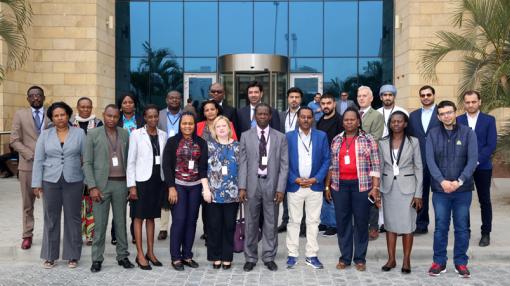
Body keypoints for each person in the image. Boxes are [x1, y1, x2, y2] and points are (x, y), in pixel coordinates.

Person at [426, 100, 477, 278]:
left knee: (462, 227)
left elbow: (472, 161)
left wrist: (459, 181)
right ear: (438, 117)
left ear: (456, 112)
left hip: (462, 190)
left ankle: (461, 262)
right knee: (440, 227)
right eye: (443, 113)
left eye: (449, 112)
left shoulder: (468, 133)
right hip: (441, 191)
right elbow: (430, 161)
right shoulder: (432, 134)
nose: (447, 116)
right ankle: (439, 262)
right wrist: (442, 181)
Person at [325, 107, 381, 272]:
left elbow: (375, 165)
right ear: (343, 122)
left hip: (362, 186)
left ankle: (360, 258)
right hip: (339, 186)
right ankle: (345, 257)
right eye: (346, 120)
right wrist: (328, 186)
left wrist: (375, 187)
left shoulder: (368, 139)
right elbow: (331, 165)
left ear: (358, 121)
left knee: (361, 222)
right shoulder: (336, 140)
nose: (349, 122)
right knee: (342, 222)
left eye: (352, 119)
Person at [31, 102, 86, 269]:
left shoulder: (79, 133)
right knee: (51, 218)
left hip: (74, 180)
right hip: (50, 181)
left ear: (68, 115)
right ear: (52, 118)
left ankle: (72, 255)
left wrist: (89, 182)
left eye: (62, 114)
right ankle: (49, 255)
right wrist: (36, 183)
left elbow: (86, 158)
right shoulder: (45, 135)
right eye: (56, 115)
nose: (60, 118)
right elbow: (39, 159)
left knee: (73, 218)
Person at [83, 104, 134, 273]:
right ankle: (97, 259)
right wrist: (92, 186)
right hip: (100, 186)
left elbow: (129, 161)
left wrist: (130, 185)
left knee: (121, 223)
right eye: (109, 116)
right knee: (100, 225)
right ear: (104, 115)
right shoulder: (93, 134)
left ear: (119, 118)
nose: (112, 119)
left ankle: (123, 256)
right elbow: (87, 162)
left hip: (121, 184)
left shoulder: (125, 134)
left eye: (115, 117)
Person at [239, 103, 288, 272]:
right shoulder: (245, 136)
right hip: (252, 184)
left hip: (272, 184)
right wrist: (242, 187)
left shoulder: (280, 137)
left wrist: (281, 188)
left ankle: (268, 256)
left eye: (265, 114)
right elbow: (243, 163)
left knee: (271, 222)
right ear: (255, 116)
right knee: (250, 223)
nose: (262, 116)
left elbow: (284, 165)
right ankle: (250, 257)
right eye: (259, 113)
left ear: (270, 116)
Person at [162, 112, 209, 271]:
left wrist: (205, 188)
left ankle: (187, 255)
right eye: (184, 123)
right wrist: (171, 187)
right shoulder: (172, 141)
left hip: (195, 187)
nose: (187, 126)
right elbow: (166, 167)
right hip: (178, 186)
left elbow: (203, 168)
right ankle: (175, 257)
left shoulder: (201, 142)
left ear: (195, 125)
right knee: (179, 220)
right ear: (179, 125)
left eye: (190, 123)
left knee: (192, 221)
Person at [285, 107, 330, 269]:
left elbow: (327, 160)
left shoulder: (321, 136)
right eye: (302, 117)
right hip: (294, 185)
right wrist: (295, 179)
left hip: (314, 186)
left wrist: (315, 179)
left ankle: (312, 255)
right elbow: (284, 162)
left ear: (313, 119)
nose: (305, 119)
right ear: (298, 118)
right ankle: (292, 254)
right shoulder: (288, 137)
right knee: (293, 221)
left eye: (308, 117)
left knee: (313, 222)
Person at [378, 111, 423, 274]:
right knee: (390, 225)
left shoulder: (413, 142)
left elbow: (418, 167)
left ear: (405, 124)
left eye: (399, 121)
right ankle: (391, 259)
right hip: (388, 188)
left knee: (407, 226)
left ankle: (406, 260)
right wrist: (378, 190)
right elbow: (380, 167)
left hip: (408, 189)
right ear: (389, 124)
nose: (396, 124)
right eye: (393, 122)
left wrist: (418, 193)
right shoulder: (382, 142)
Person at [126, 104, 167, 270]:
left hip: (157, 181)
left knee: (151, 217)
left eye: (156, 116)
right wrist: (132, 186)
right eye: (149, 117)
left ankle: (150, 252)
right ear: (144, 118)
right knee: (138, 217)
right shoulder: (136, 134)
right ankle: (140, 254)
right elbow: (131, 161)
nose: (153, 119)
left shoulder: (163, 135)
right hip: (141, 182)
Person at [10, 85, 49, 250]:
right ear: (28, 98)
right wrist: (29, 153)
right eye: (32, 96)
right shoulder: (20, 115)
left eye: (38, 95)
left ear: (43, 97)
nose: (36, 98)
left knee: (51, 204)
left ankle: (50, 236)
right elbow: (14, 139)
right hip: (27, 165)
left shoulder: (52, 114)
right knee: (28, 204)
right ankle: (27, 235)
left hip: (50, 166)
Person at [457, 90, 497, 247]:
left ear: (479, 102)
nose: (470, 105)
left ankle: (486, 233)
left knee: (484, 200)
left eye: (473, 102)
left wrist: (476, 161)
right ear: (464, 104)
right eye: (467, 102)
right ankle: (464, 231)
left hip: (483, 167)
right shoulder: (458, 120)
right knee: (463, 200)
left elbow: (491, 144)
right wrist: (466, 163)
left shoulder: (489, 120)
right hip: (462, 168)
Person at [204, 116, 240, 270]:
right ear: (214, 129)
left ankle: (227, 257)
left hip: (233, 195)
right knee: (214, 226)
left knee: (229, 226)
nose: (221, 128)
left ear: (229, 128)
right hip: (213, 194)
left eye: (224, 125)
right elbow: (202, 171)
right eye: (218, 126)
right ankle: (215, 256)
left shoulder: (238, 146)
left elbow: (243, 169)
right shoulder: (209, 146)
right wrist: (205, 189)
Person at [375, 84, 409, 233]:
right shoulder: (377, 113)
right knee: (383, 189)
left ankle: (400, 223)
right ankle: (383, 222)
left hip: (400, 155)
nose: (387, 97)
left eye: (390, 94)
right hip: (381, 153)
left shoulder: (402, 112)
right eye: (384, 95)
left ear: (394, 96)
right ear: (381, 97)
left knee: (399, 192)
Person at [408, 85, 441, 235]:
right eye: (423, 95)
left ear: (433, 95)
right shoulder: (413, 116)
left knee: (440, 195)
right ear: (420, 97)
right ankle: (421, 224)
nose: (426, 97)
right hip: (419, 161)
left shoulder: (442, 113)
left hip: (439, 161)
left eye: (428, 94)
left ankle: (441, 225)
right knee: (420, 193)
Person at [71, 97, 103, 246]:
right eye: (82, 107)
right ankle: (76, 233)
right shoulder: (71, 124)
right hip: (74, 169)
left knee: (91, 202)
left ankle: (91, 234)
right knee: (76, 203)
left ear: (92, 108)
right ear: (77, 107)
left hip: (93, 168)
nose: (85, 109)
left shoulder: (98, 124)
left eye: (88, 107)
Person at [112, 92, 142, 245]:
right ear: (121, 105)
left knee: (135, 202)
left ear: (135, 104)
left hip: (138, 165)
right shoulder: (115, 121)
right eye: (125, 102)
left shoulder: (142, 120)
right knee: (119, 201)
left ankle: (134, 233)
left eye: (131, 102)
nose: (128, 105)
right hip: (119, 165)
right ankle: (116, 233)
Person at [357, 86, 384, 240]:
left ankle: (373, 227)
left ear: (371, 98)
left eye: (365, 96)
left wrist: (357, 144)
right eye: (359, 96)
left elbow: (375, 137)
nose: (361, 98)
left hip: (370, 161)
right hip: (356, 163)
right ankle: (361, 225)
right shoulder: (354, 114)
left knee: (372, 192)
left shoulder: (377, 116)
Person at [316, 92, 343, 237]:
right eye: (323, 104)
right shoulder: (320, 120)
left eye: (328, 103)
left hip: (335, 161)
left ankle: (334, 224)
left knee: (332, 192)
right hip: (321, 160)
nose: (326, 106)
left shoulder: (339, 120)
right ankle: (325, 221)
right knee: (322, 191)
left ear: (334, 104)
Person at [157, 90, 182, 241]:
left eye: (177, 98)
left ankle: (178, 223)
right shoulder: (159, 114)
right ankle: (163, 227)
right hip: (163, 155)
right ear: (167, 99)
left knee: (178, 188)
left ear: (180, 100)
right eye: (171, 97)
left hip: (182, 156)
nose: (174, 100)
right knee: (165, 189)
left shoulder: (186, 114)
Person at [278, 87, 303, 234]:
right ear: (287, 99)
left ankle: (302, 224)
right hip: (283, 157)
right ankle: (285, 221)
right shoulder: (281, 115)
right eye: (291, 97)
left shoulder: (306, 115)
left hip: (300, 157)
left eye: (297, 97)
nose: (294, 99)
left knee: (302, 191)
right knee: (286, 190)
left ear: (300, 99)